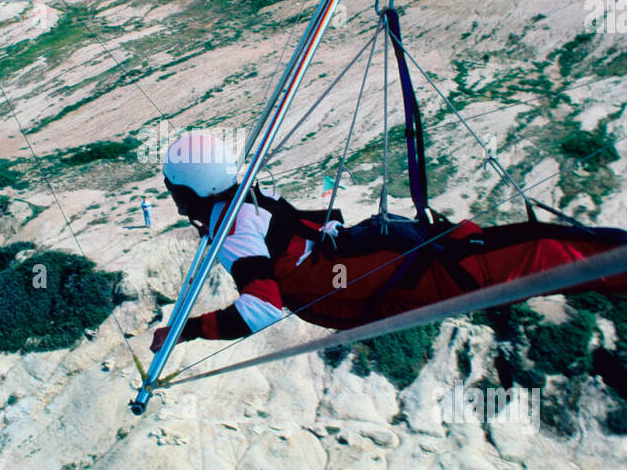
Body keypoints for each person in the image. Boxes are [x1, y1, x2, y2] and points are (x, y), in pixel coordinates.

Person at [150, 129, 627, 352]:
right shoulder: (248, 190)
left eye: (175, 190)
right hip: (372, 262)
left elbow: (261, 308)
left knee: (530, 253)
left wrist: (188, 330)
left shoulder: (233, 228)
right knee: (516, 249)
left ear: (189, 190)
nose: (174, 199)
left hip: (378, 279)